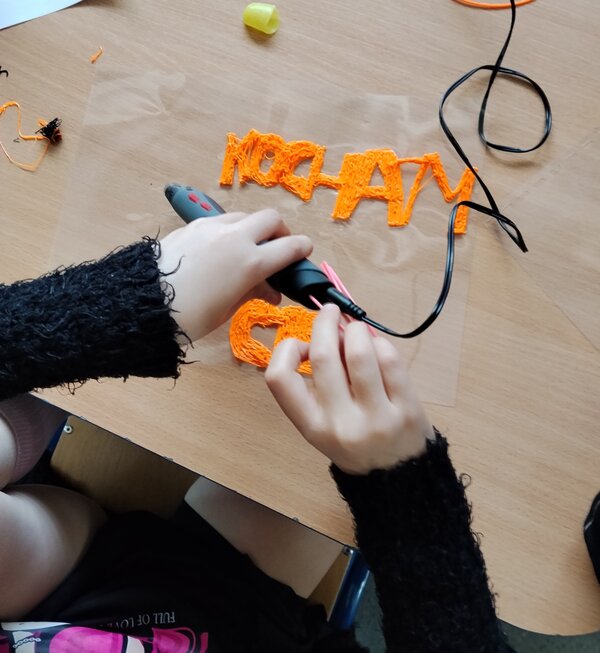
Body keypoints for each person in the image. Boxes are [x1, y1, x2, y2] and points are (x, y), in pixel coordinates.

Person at [0, 209, 513, 652]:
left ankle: (33, 418)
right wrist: (404, 492)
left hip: (54, 599)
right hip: (243, 627)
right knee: (296, 458)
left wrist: (123, 305)